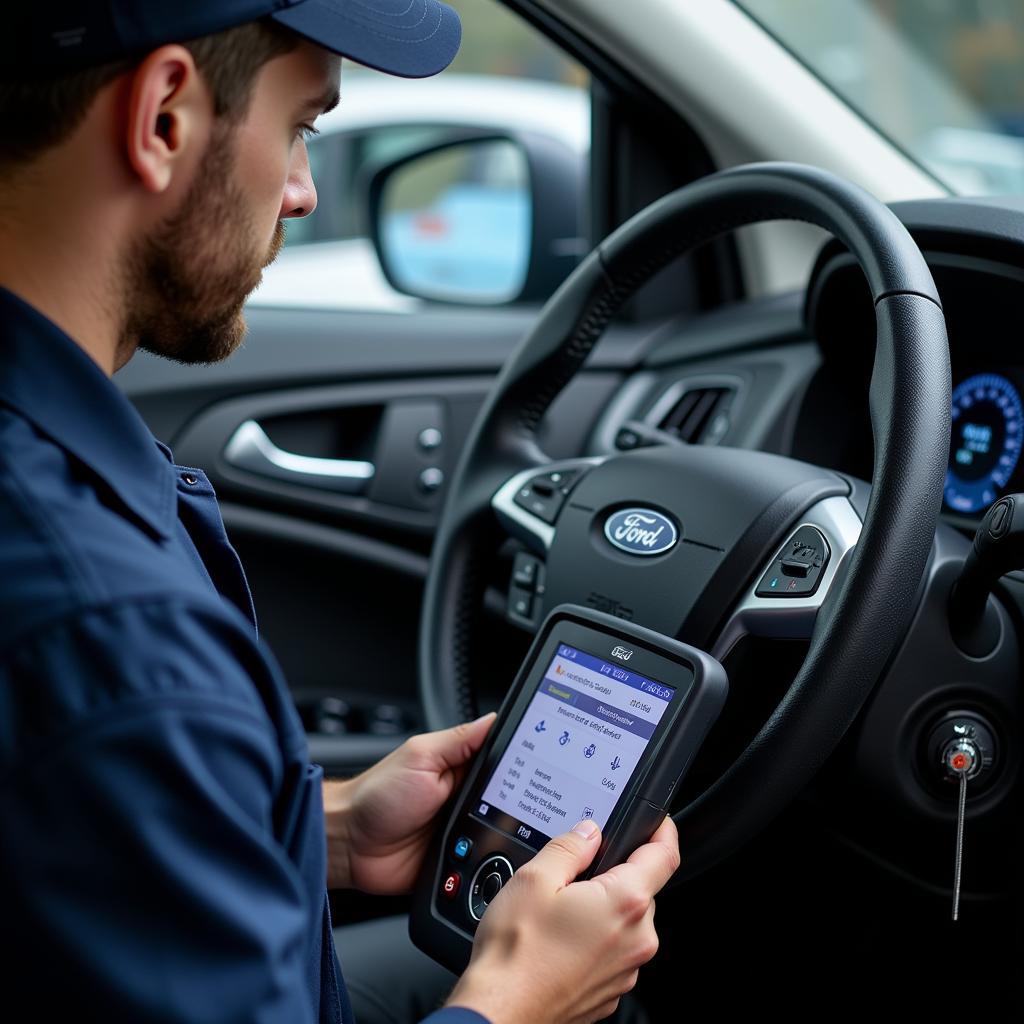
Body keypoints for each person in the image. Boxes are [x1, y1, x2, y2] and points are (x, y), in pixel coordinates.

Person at [0, 2, 680, 1021]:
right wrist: (515, 1002)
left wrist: (329, 827)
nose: (306, 192)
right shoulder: (118, 643)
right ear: (165, 117)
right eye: (301, 128)